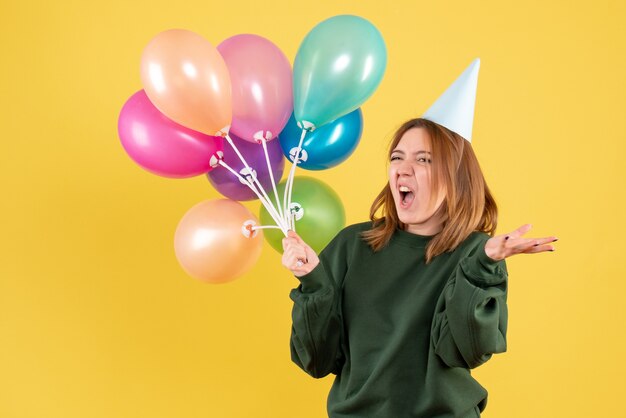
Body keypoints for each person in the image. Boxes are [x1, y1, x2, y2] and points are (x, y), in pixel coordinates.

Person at [282, 117, 557, 417]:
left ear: (455, 177)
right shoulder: (352, 245)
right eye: (397, 157)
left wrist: (481, 267)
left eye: (424, 160)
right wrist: (313, 282)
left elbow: (468, 350)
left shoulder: (477, 254)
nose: (403, 168)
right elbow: (318, 361)